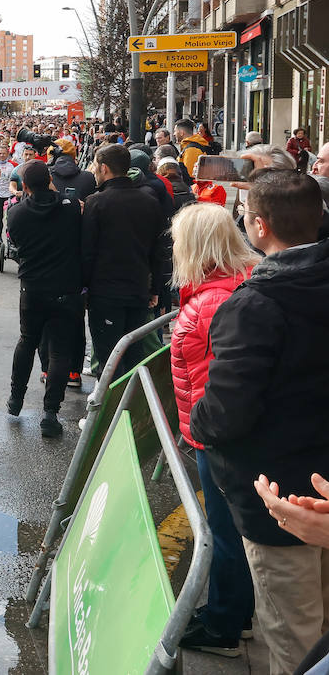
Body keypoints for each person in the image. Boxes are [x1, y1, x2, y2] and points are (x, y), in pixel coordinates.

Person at [191, 171, 329, 675]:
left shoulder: (254, 305)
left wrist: (199, 424)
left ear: (259, 226)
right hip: (319, 485)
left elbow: (225, 411)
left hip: (280, 499)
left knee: (291, 637)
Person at [167, 203, 259, 658]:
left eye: (179, 239)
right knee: (228, 531)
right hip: (217, 428)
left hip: (216, 433)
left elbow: (219, 375)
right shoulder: (230, 284)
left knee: (225, 533)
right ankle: (231, 613)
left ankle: (224, 624)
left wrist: (199, 428)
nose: (174, 247)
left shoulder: (216, 299)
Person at [7, 161, 85, 434]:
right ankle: (50, 412)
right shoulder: (72, 206)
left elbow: (16, 244)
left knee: (27, 341)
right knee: (60, 351)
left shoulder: (16, 213)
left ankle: (16, 398)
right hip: (66, 288)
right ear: (50, 179)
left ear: (25, 186)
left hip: (32, 288)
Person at [81, 144, 165, 378]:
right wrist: (155, 287)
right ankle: (127, 408)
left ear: (104, 168)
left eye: (96, 167)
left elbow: (87, 251)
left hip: (106, 292)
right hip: (138, 288)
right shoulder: (149, 200)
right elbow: (158, 250)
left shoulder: (96, 202)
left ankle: (109, 411)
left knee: (109, 358)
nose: (94, 172)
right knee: (133, 353)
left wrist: (84, 288)